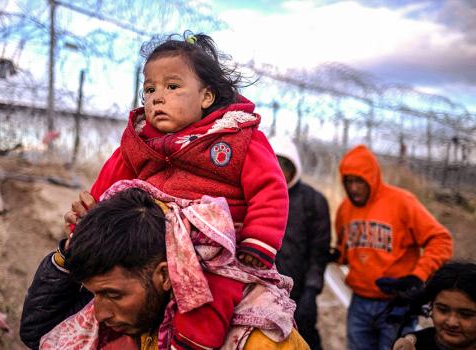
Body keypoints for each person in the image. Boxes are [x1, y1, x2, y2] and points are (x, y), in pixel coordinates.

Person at [64, 31, 288, 349]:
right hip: (153, 245)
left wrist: (259, 241)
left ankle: (191, 342)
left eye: (172, 87)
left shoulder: (236, 137)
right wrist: (85, 225)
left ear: (206, 97)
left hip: (213, 248)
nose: (157, 97)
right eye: (150, 89)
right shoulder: (139, 142)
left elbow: (270, 189)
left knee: (212, 292)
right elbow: (108, 186)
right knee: (122, 298)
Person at [21, 184, 308, 350]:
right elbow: (40, 334)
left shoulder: (259, 342)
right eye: (95, 294)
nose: (99, 313)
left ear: (164, 275)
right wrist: (69, 253)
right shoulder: (141, 316)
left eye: (113, 295)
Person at [334, 144, 453, 350]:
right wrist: (337, 254)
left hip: (396, 303)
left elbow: (441, 240)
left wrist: (418, 276)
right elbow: (348, 251)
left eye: (359, 181)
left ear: (372, 178)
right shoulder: (345, 208)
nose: (354, 188)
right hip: (360, 303)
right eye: (349, 181)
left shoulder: (402, 201)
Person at [269, 135, 331, 350]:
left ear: (295, 168)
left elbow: (319, 253)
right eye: (274, 163)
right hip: (263, 290)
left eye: (286, 165)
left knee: (304, 341)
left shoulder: (314, 201)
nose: (280, 171)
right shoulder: (255, 196)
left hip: (299, 292)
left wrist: (311, 293)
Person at [393, 262, 476, 350]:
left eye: (465, 314)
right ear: (431, 307)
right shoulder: (411, 345)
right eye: (443, 310)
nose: (451, 323)